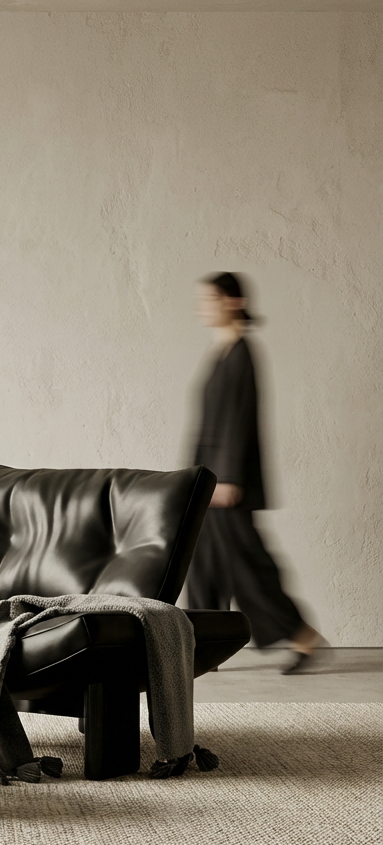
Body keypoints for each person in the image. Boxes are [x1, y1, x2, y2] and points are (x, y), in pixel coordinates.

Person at [186, 272, 322, 673]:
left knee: (247, 567)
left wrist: (227, 479)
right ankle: (203, 646)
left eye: (208, 300)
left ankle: (301, 635)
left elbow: (239, 422)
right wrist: (195, 478)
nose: (201, 307)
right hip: (209, 480)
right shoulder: (222, 351)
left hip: (226, 484)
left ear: (232, 301)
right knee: (204, 563)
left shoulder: (243, 352)